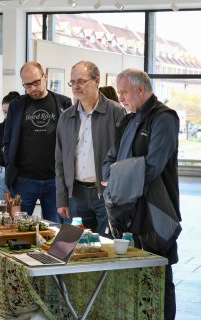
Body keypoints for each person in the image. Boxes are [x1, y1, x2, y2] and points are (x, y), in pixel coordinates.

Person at [102, 68, 180, 319]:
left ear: (140, 89)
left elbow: (153, 165)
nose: (120, 98)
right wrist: (114, 175)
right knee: (134, 272)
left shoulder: (164, 118)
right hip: (128, 209)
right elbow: (109, 160)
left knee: (159, 273)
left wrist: (116, 177)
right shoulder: (127, 119)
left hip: (156, 209)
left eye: (124, 92)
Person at [55, 61, 126, 237]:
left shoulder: (116, 112)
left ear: (96, 81)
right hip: (76, 196)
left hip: (106, 195)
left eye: (81, 81)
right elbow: (59, 161)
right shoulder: (66, 117)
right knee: (76, 246)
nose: (76, 86)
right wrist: (62, 199)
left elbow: (124, 156)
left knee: (108, 246)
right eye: (73, 82)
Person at [4, 61, 72, 223]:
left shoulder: (64, 103)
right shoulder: (17, 105)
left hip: (55, 180)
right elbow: (8, 140)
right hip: (23, 180)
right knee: (17, 228)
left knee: (55, 229)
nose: (32, 88)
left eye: (36, 83)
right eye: (27, 85)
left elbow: (71, 141)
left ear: (45, 77)